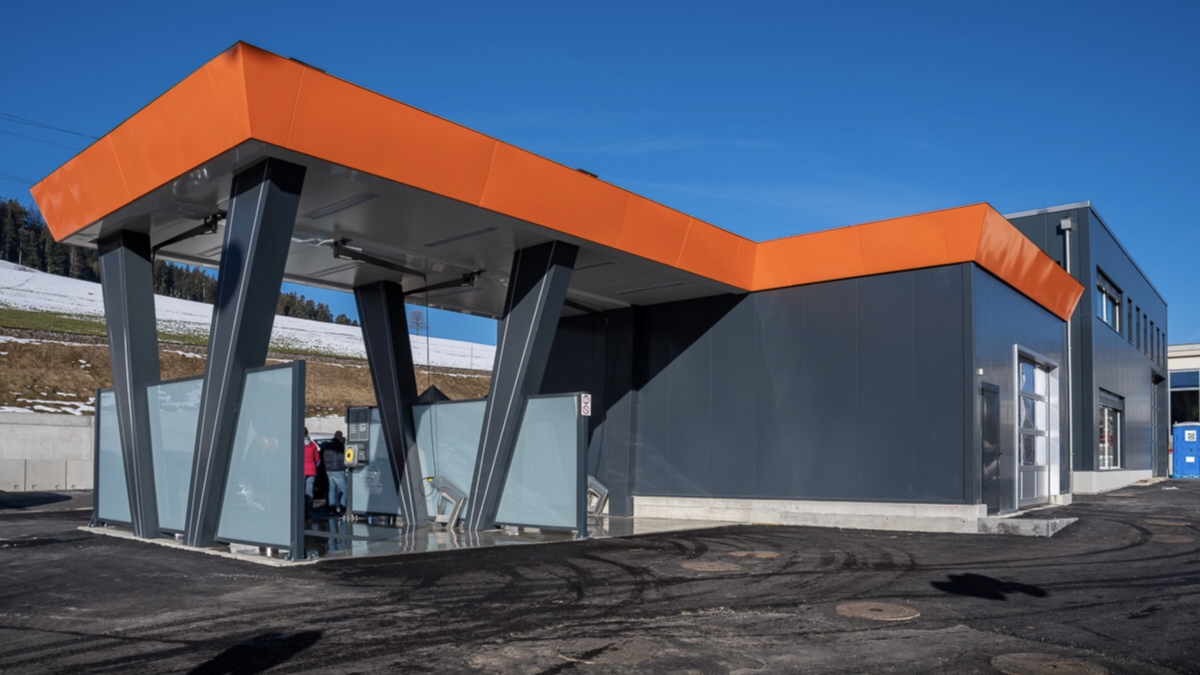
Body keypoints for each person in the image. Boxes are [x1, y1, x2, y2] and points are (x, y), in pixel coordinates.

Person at [321, 430, 348, 516]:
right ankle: (343, 508)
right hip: (338, 469)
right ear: (340, 436)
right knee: (345, 490)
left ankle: (331, 509)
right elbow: (341, 457)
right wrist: (344, 467)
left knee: (332, 489)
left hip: (329, 470)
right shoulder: (340, 445)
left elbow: (324, 457)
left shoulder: (328, 445)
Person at [302, 427, 320, 521]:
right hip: (311, 471)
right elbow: (317, 459)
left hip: (301, 470)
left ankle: (302, 512)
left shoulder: (298, 444)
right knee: (309, 493)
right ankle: (309, 514)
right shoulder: (313, 445)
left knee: (301, 493)